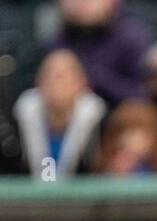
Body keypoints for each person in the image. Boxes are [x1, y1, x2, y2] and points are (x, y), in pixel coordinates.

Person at [13, 49, 106, 180]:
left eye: (61, 76)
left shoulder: (100, 122)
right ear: (37, 82)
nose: (53, 81)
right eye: (47, 75)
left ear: (82, 83)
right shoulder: (17, 119)